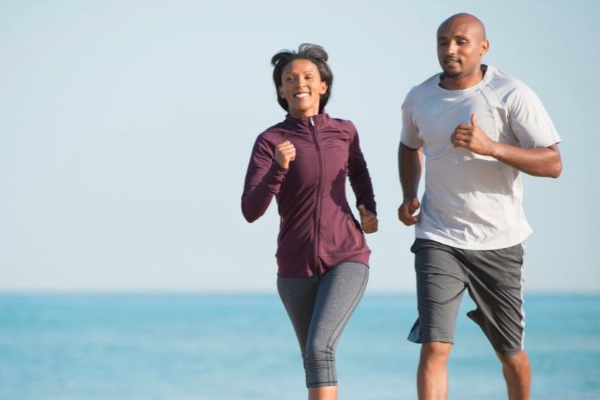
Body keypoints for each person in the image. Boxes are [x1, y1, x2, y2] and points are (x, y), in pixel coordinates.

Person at [397, 13, 562, 400]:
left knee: (510, 354)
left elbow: (553, 163)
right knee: (435, 346)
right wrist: (409, 193)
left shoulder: (511, 93)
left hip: (499, 242)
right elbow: (409, 146)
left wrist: (491, 147)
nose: (450, 50)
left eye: (460, 42)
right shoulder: (419, 97)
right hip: (438, 236)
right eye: (442, 42)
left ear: (482, 47)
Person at [242, 43, 378, 400]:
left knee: (320, 348)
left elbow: (359, 171)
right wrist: (277, 168)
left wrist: (368, 207)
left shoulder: (345, 131)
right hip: (294, 266)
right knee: (314, 359)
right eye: (289, 79)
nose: (298, 83)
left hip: (346, 256)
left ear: (322, 86)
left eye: (307, 76)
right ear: (281, 91)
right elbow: (250, 210)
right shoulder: (270, 141)